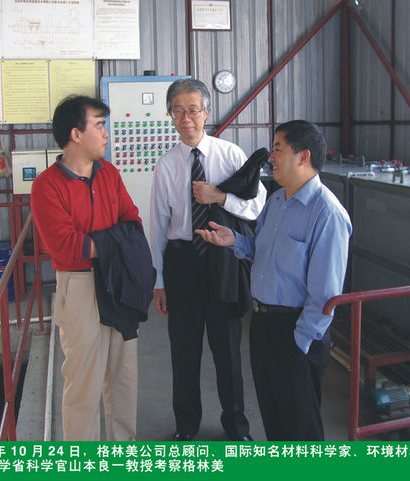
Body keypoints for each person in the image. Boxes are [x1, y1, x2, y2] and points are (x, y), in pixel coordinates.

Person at [196, 120, 352, 440]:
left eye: (278, 149)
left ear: (303, 157)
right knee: (274, 418)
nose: (271, 157)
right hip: (263, 325)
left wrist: (300, 342)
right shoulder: (277, 202)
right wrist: (235, 241)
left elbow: (325, 294)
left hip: (295, 330)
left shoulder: (327, 213)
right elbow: (263, 251)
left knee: (300, 428)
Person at [150, 78, 266, 441]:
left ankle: (237, 426)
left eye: (193, 110)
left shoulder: (230, 155)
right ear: (170, 115)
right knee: (183, 352)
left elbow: (258, 205)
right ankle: (187, 426)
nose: (186, 118)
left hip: (222, 258)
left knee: (228, 349)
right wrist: (158, 282)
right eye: (178, 111)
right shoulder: (166, 165)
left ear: (207, 112)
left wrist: (220, 197)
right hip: (182, 263)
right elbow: (158, 226)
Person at [31, 95, 142, 441]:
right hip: (79, 287)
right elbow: (67, 247)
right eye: (99, 125)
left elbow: (133, 223)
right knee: (83, 383)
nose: (106, 133)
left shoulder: (109, 174)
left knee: (123, 377)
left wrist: (104, 243)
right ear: (76, 134)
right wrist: (117, 241)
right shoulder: (47, 186)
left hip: (118, 281)